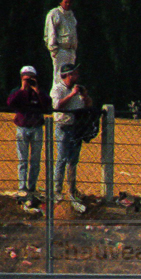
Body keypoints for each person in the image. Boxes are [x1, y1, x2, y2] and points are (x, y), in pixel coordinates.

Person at [6, 65, 50, 198]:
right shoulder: (17, 92)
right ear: (21, 78)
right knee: (22, 159)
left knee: (35, 160)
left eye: (32, 77)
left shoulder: (38, 91)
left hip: (36, 128)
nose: (29, 80)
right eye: (26, 77)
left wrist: (36, 90)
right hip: (22, 127)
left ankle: (32, 186)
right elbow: (10, 103)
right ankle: (22, 186)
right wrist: (22, 89)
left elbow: (47, 104)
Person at [50, 63, 92, 201]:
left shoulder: (78, 89)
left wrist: (84, 96)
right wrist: (72, 95)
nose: (77, 76)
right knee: (62, 158)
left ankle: (72, 190)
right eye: (74, 73)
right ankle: (57, 190)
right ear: (67, 75)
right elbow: (57, 105)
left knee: (74, 159)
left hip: (76, 128)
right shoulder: (58, 89)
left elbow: (88, 105)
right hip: (63, 126)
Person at [44, 0, 78, 85]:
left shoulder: (71, 15)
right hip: (60, 50)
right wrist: (54, 50)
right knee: (59, 77)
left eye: (69, 2)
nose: (68, 4)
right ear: (60, 2)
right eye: (65, 2)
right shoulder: (54, 14)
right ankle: (57, 98)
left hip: (70, 50)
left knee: (70, 77)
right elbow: (50, 32)